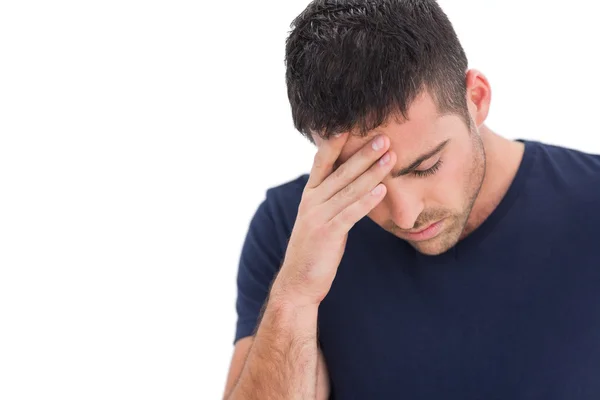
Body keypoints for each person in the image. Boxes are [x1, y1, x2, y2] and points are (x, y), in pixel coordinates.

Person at [222, 0, 600, 399]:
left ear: (476, 98)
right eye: (363, 181)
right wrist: (296, 294)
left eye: (426, 167)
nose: (405, 215)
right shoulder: (292, 230)